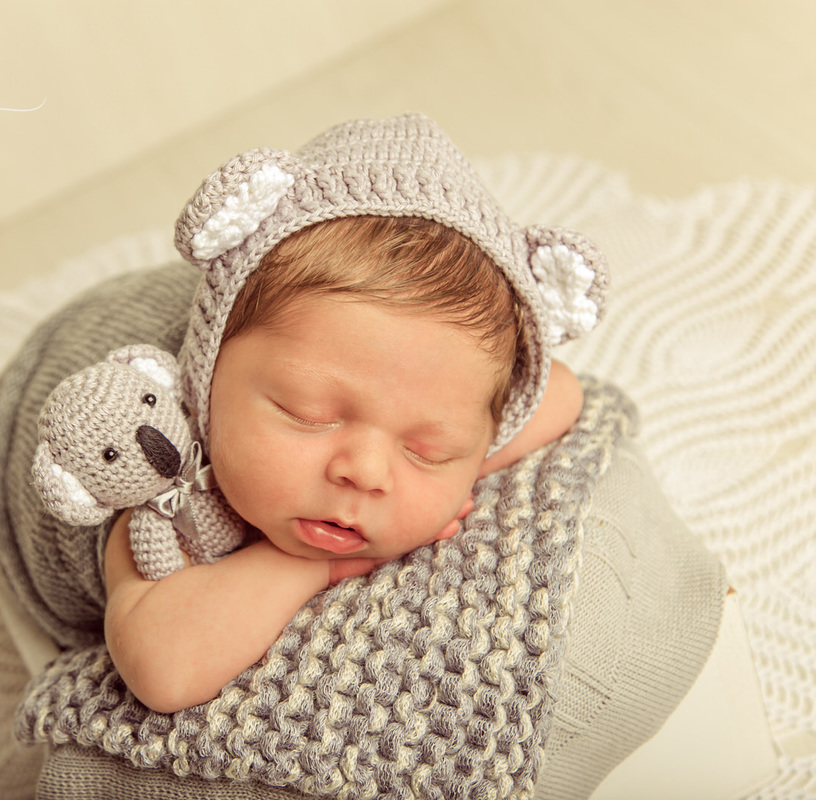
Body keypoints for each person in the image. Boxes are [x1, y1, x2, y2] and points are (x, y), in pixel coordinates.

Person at [102, 114, 608, 714]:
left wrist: (453, 467)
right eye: (308, 414)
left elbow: (563, 392)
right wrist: (306, 566)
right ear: (206, 382)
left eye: (428, 448)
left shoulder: (436, 405)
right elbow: (165, 668)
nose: (366, 472)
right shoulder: (162, 481)